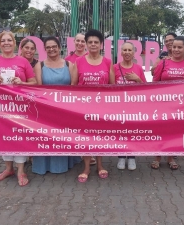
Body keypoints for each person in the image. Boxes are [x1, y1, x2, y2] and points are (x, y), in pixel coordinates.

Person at [0, 31, 37, 186]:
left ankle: (21, 170)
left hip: (19, 106)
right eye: (3, 40)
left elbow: (34, 82)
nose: (6, 43)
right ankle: (8, 168)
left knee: (19, 136)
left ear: (14, 43)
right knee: (3, 135)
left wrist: (22, 82)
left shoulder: (23, 61)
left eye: (9, 40)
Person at [32, 36, 82, 175]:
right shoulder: (39, 65)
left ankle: (64, 163)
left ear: (59, 48)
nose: (51, 49)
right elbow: (38, 88)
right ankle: (44, 165)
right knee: (47, 137)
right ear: (45, 50)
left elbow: (73, 86)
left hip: (64, 109)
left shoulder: (69, 65)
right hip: (46, 110)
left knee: (63, 137)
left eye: (54, 46)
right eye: (48, 47)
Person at [71, 29, 115, 182]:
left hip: (102, 108)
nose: (93, 44)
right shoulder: (79, 62)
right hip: (83, 108)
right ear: (86, 44)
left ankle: (101, 165)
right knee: (85, 138)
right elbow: (74, 85)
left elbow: (112, 86)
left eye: (96, 42)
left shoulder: (108, 62)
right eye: (90, 42)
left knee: (100, 137)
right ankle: (87, 167)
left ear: (101, 45)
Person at [151, 36, 184, 170]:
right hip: (163, 104)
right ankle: (157, 157)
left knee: (175, 131)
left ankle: (171, 157)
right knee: (161, 130)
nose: (176, 50)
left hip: (182, 105)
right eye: (174, 47)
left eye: (179, 47)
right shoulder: (163, 63)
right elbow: (155, 82)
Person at [113, 42, 147, 170]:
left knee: (132, 132)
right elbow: (110, 86)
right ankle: (121, 157)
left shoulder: (138, 68)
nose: (127, 52)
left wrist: (137, 79)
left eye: (129, 50)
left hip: (134, 107)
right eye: (125, 50)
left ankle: (132, 157)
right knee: (121, 132)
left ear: (133, 53)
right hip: (118, 106)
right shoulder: (115, 67)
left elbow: (146, 87)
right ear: (121, 53)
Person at [65, 33, 96, 166]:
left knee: (91, 128)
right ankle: (80, 152)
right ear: (74, 42)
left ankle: (90, 153)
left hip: (94, 100)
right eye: (78, 41)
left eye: (83, 41)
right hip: (77, 98)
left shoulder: (92, 57)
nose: (80, 43)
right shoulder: (68, 59)